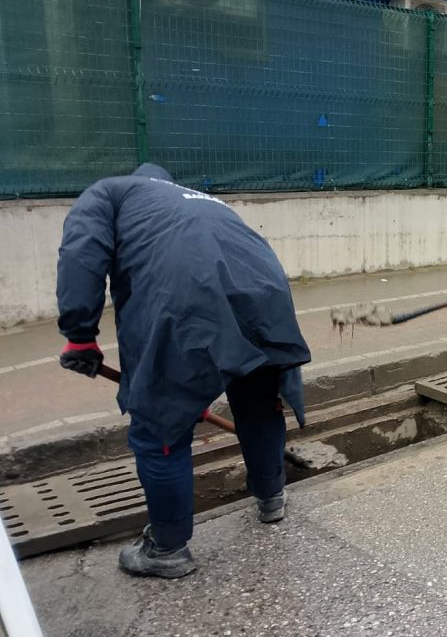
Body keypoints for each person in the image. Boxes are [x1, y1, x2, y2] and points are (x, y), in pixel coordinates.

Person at [56, 164, 311, 579]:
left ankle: (167, 548)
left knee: (161, 429)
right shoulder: (197, 199)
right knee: (258, 402)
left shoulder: (106, 194)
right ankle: (271, 498)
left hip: (188, 299)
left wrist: (79, 335)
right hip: (266, 293)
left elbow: (80, 254)